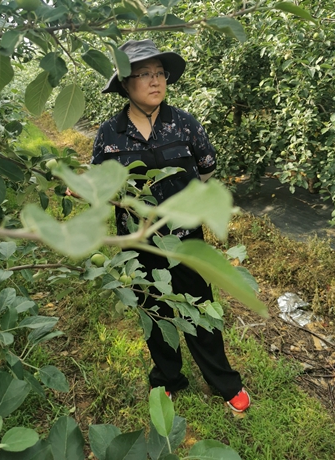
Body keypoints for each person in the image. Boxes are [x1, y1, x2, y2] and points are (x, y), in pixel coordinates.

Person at [90, 39, 250, 413]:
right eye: (144, 74)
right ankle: (167, 377)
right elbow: (101, 184)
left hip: (185, 240)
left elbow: (206, 168)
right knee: (154, 310)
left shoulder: (184, 124)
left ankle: (224, 381)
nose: (155, 80)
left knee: (200, 308)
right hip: (138, 243)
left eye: (159, 73)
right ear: (125, 83)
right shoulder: (110, 134)